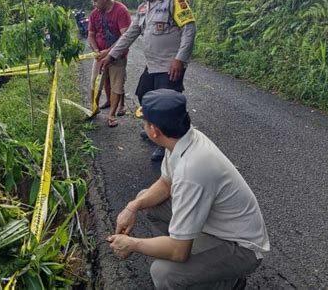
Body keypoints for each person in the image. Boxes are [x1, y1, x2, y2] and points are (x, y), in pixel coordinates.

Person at [107, 89, 270, 290]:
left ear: (154, 130)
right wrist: (132, 207)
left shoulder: (191, 169)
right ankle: (194, 250)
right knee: (145, 200)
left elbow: (178, 252)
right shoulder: (182, 139)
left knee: (164, 273)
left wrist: (132, 243)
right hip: (216, 226)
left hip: (240, 247)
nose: (143, 126)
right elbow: (166, 183)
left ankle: (226, 282)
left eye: (144, 122)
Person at [101, 0, 196, 160]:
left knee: (166, 104)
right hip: (152, 64)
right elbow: (129, 34)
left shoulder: (174, 1)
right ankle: (154, 127)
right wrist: (111, 55)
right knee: (143, 95)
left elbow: (189, 29)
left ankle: (167, 143)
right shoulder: (144, 7)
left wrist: (180, 59)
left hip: (170, 64)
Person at [88, 0, 132, 127]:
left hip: (118, 56)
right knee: (96, 83)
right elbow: (91, 35)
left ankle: (112, 114)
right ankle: (94, 108)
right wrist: (95, 50)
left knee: (117, 86)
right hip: (100, 56)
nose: (94, 3)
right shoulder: (94, 14)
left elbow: (125, 36)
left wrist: (110, 52)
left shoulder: (121, 11)